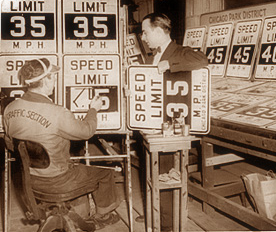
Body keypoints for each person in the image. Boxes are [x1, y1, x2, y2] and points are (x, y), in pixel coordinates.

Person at [3, 58, 120, 230]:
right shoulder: (57, 113)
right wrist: (93, 109)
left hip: (29, 181)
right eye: (53, 76)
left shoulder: (9, 109)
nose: (55, 80)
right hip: (59, 181)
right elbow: (86, 131)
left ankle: (72, 211)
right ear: (45, 80)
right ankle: (103, 215)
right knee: (105, 173)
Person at [141, 12, 208, 231]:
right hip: (152, 128)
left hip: (171, 128)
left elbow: (202, 60)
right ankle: (156, 215)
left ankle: (167, 225)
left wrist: (169, 63)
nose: (143, 37)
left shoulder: (179, 52)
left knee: (168, 176)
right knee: (152, 176)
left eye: (145, 32)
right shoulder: (152, 56)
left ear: (159, 32)